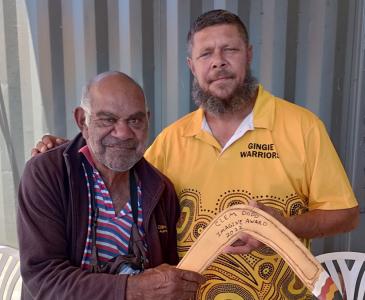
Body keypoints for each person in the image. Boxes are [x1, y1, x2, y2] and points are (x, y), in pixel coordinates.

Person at [32, 10, 359, 300]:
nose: (218, 61)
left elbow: (345, 215)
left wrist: (281, 226)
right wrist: (70, 148)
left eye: (229, 49)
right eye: (206, 53)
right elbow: (118, 165)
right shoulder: (172, 139)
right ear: (192, 66)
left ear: (248, 54)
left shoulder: (302, 128)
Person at [18, 71, 204, 300]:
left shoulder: (160, 190)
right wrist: (134, 289)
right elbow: (43, 277)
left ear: (147, 119)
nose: (123, 133)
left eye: (134, 120)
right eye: (108, 119)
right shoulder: (49, 174)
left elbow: (169, 278)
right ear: (82, 121)